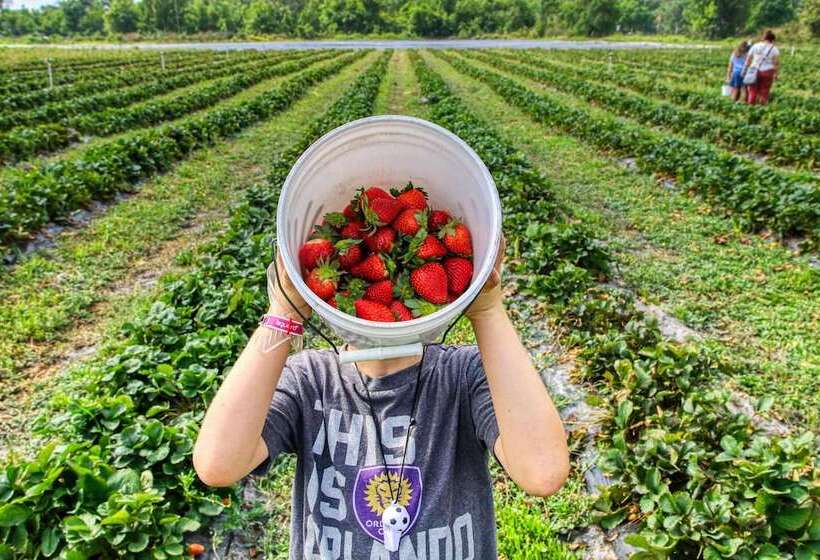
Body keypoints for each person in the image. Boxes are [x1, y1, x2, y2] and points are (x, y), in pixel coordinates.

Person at [193, 242, 570, 559]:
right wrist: (283, 312)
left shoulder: (465, 375)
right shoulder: (309, 380)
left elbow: (542, 471)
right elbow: (217, 465)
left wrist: (487, 309)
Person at [743, 29, 780, 105]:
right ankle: (761, 108)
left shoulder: (755, 46)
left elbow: (748, 59)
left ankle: (751, 108)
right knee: (764, 91)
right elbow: (776, 63)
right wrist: (776, 74)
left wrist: (745, 70)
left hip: (754, 70)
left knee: (752, 91)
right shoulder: (774, 49)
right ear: (772, 39)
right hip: (768, 71)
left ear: (763, 38)